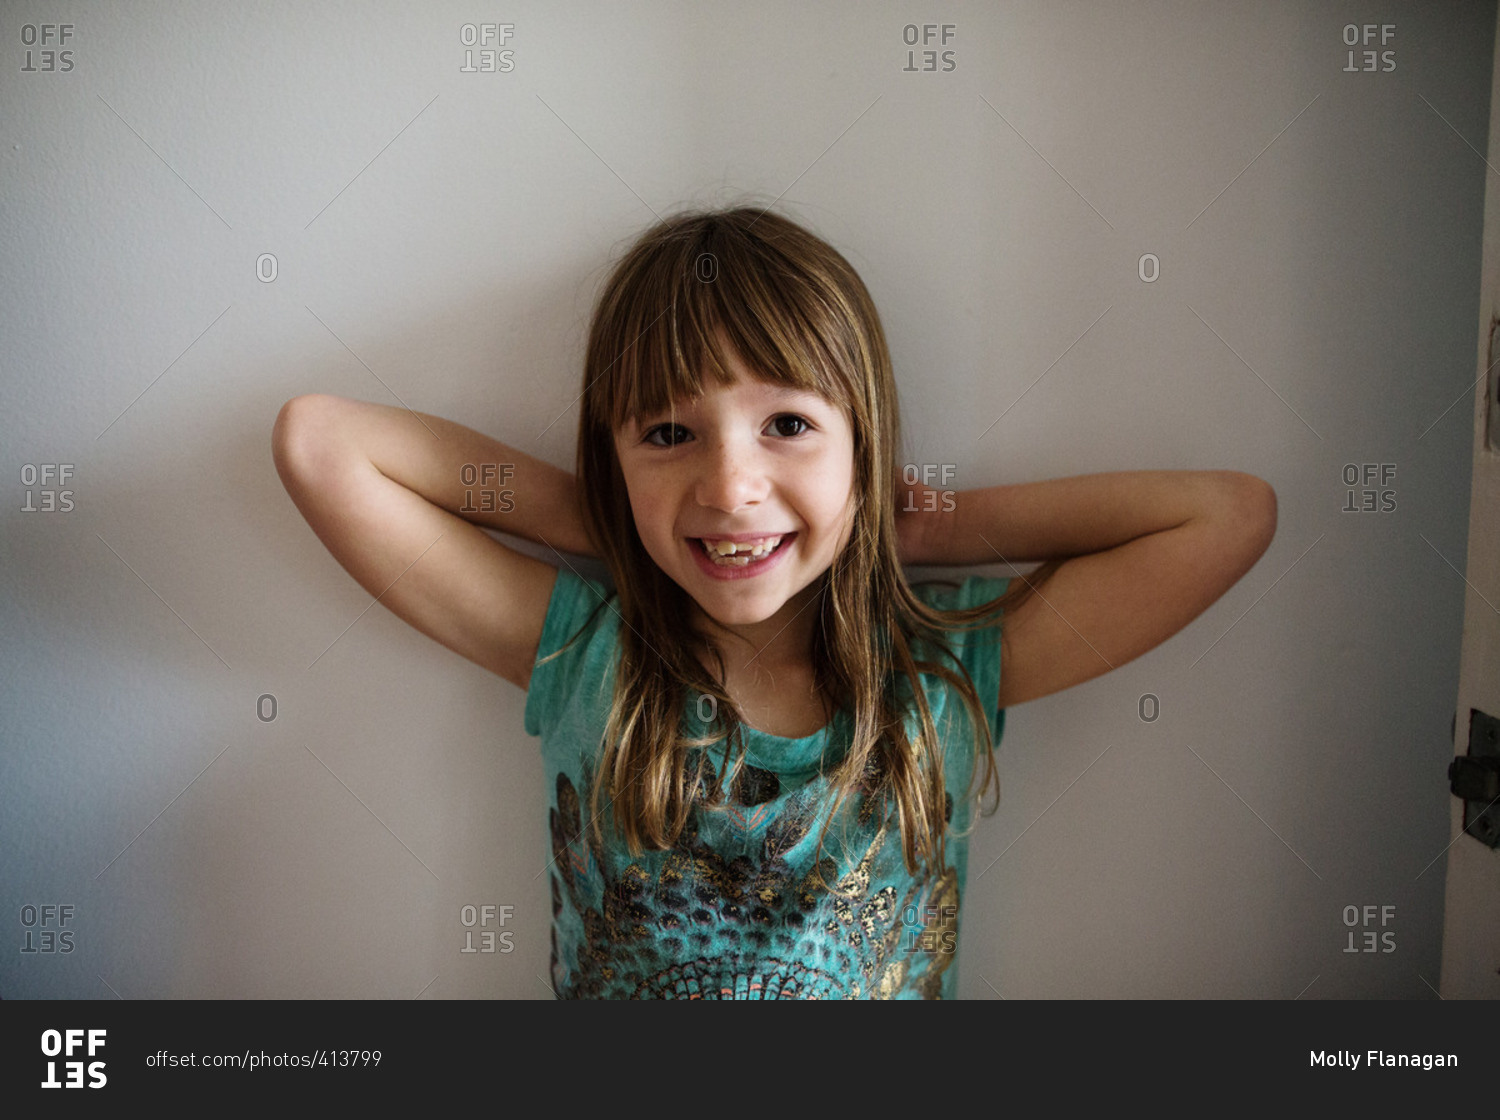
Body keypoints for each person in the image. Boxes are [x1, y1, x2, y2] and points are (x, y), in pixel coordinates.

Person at [271, 204, 1277, 999]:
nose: (729, 485)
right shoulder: (587, 655)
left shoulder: (939, 671)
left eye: (787, 423)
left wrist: (912, 526)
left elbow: (1226, 516)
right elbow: (324, 444)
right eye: (669, 434)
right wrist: (624, 522)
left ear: (863, 446)